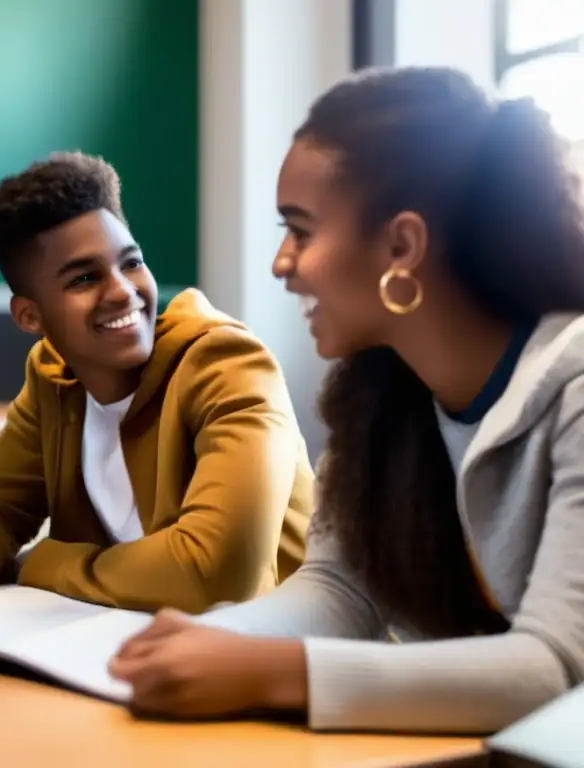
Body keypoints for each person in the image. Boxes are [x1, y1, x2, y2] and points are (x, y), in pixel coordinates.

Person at [108, 66, 584, 734]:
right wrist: (209, 639)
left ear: (402, 245)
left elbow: (557, 671)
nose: (281, 262)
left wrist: (266, 672)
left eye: (300, 230)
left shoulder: (576, 388)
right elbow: (340, 591)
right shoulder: (381, 391)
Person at [0, 151, 314, 614]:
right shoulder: (54, 377)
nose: (122, 291)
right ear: (30, 315)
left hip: (280, 665)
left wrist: (43, 562)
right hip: (125, 652)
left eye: (131, 263)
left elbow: (218, 573)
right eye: (85, 278)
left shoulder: (228, 366)